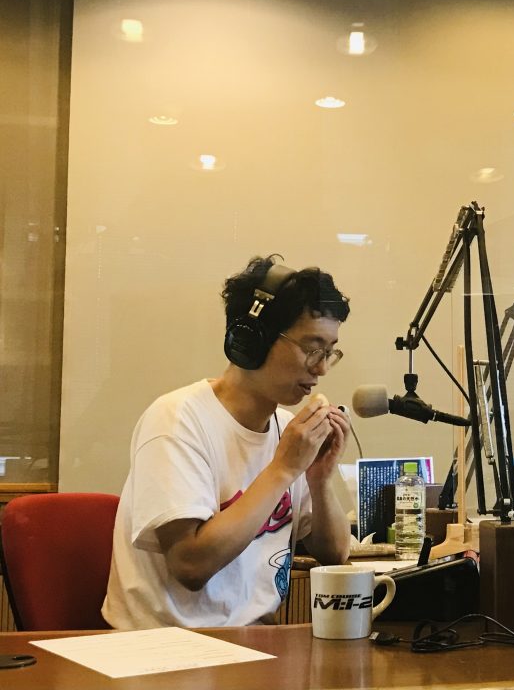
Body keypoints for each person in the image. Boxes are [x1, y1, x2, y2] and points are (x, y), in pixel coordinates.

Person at [102, 256, 352, 629]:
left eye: (329, 352)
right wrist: (283, 469)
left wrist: (319, 479)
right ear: (252, 339)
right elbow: (190, 565)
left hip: (256, 641)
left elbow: (335, 554)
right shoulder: (177, 419)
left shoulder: (287, 431)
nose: (322, 368)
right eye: (312, 348)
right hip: (168, 646)